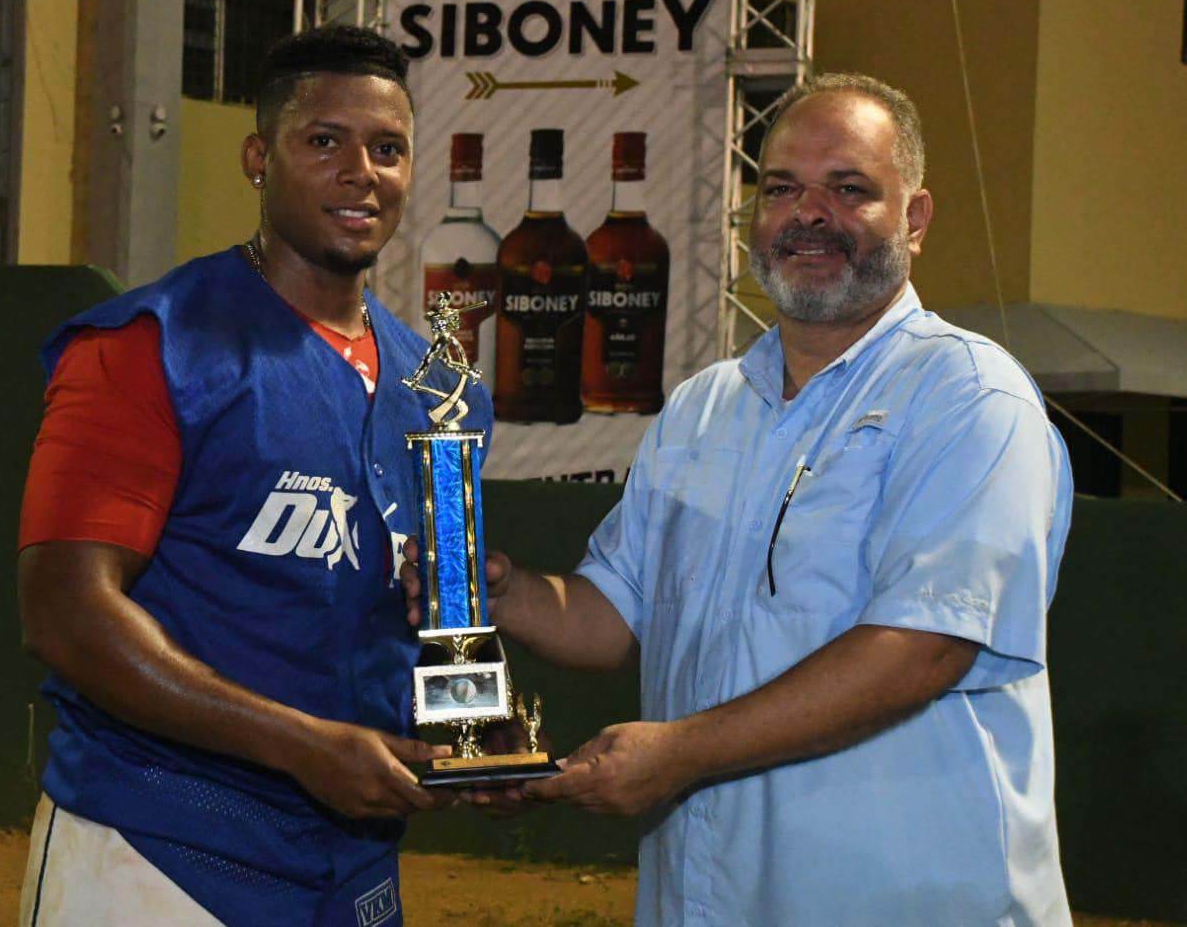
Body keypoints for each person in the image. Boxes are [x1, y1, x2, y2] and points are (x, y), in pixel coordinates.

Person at [405, 74, 1074, 924]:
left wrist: (678, 754)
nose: (808, 214)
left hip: (897, 901)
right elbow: (614, 613)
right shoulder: (702, 406)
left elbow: (922, 647)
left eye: (848, 189)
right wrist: (494, 593)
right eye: (781, 188)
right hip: (707, 896)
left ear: (913, 219)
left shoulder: (967, 396)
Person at [17, 25, 481, 926]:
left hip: (351, 864)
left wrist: (472, 738)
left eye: (387, 149)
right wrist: (301, 747)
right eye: (324, 141)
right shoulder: (149, 347)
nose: (361, 172)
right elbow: (64, 615)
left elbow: (430, 614)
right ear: (258, 159)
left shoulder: (441, 390)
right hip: (156, 847)